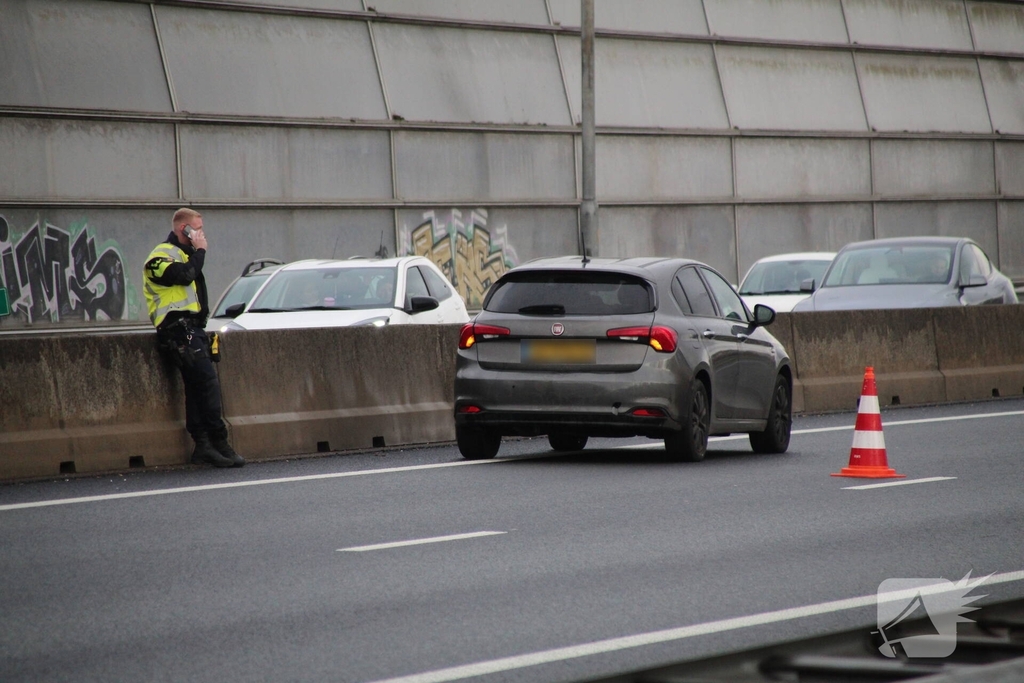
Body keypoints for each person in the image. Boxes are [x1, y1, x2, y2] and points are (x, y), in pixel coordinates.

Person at [143, 208, 244, 468]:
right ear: (183, 229)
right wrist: (200, 251)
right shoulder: (159, 256)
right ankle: (218, 441)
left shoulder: (187, 256)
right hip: (176, 329)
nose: (201, 234)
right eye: (197, 229)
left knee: (197, 385)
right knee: (206, 382)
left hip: (193, 329)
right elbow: (183, 275)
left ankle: (204, 446)